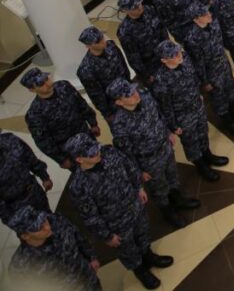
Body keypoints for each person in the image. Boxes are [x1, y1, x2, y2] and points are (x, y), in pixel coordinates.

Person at [64, 133, 172, 289]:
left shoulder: (110, 152)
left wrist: (139, 187)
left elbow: (129, 167)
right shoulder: (79, 186)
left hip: (135, 207)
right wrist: (107, 236)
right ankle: (140, 271)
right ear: (79, 159)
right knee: (128, 250)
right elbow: (90, 217)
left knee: (143, 234)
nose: (97, 153)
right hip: (117, 224)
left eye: (96, 148)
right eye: (92, 154)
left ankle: (149, 257)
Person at [108, 79, 201, 229]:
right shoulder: (120, 124)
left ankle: (177, 199)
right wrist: (139, 172)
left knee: (173, 177)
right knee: (159, 189)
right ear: (119, 102)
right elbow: (126, 154)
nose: (135, 94)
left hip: (165, 147)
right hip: (148, 161)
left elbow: (159, 115)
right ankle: (167, 211)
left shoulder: (145, 98)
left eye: (133, 90)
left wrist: (168, 132)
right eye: (129, 95)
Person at [150, 41, 229, 183]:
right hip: (182, 116)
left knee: (203, 132)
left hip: (197, 106)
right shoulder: (161, 81)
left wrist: (198, 94)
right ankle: (200, 166)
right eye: (173, 55)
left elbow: (193, 78)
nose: (178, 55)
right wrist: (173, 126)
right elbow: (165, 107)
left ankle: (208, 155)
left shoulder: (185, 61)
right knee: (191, 142)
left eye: (178, 51)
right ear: (164, 60)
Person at [182, 0, 234, 134]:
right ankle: (228, 122)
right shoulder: (192, 39)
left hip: (223, 64)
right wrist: (205, 82)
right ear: (196, 19)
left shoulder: (213, 24)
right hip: (211, 73)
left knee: (230, 89)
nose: (209, 14)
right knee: (219, 98)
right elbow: (197, 63)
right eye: (204, 14)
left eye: (207, 11)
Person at [22, 68, 100, 170]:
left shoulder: (64, 86)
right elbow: (43, 141)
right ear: (32, 89)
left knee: (100, 161)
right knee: (85, 172)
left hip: (86, 135)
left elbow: (81, 104)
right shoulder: (35, 114)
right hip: (70, 151)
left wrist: (93, 123)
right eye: (41, 84)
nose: (48, 84)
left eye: (46, 79)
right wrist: (61, 159)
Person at [7, 206, 100, 291]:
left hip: (88, 278)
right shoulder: (21, 266)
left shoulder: (57, 222)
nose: (47, 227)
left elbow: (77, 235)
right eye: (39, 228)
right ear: (25, 236)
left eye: (44, 220)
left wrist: (91, 257)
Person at [76, 25, 130, 120]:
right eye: (98, 41)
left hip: (128, 92)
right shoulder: (86, 69)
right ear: (88, 46)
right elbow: (96, 95)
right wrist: (107, 113)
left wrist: (130, 84)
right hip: (114, 105)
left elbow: (123, 66)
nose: (103, 41)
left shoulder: (111, 46)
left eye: (101, 37)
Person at [0, 131, 53, 228]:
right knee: (36, 232)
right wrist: (11, 220)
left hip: (35, 191)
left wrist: (44, 177)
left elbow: (30, 158)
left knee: (51, 221)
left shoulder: (10, 139)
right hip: (16, 207)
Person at [116, 0, 170, 84]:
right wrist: (146, 76)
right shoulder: (125, 31)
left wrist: (169, 48)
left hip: (164, 53)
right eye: (134, 7)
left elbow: (162, 29)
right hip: (150, 65)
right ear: (125, 11)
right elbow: (133, 57)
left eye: (139, 3)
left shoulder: (150, 10)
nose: (139, 7)